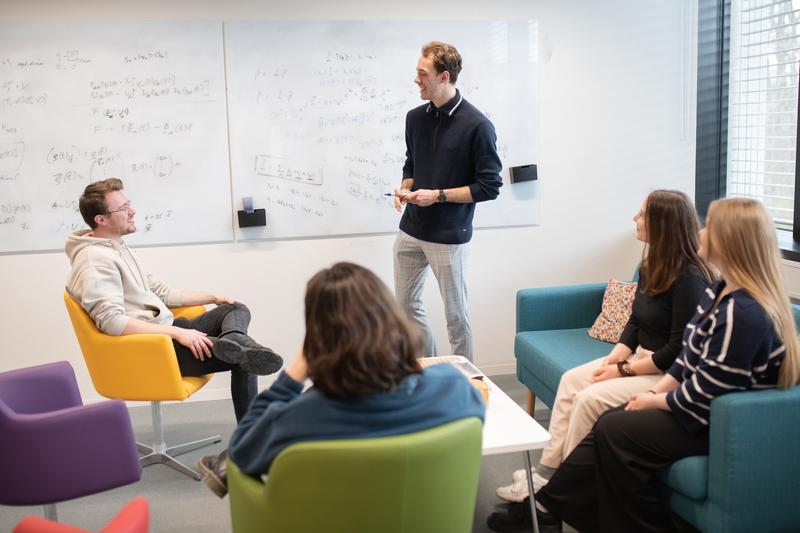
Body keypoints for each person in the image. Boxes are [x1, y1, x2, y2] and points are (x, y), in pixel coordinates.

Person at [489, 197, 800, 533]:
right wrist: (653, 391)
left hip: (721, 421)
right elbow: (689, 359)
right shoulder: (719, 291)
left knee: (613, 426)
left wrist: (655, 399)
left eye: (710, 226)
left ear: (729, 241)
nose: (702, 231)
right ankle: (554, 507)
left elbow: (707, 389)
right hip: (696, 405)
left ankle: (553, 507)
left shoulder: (743, 312)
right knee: (611, 420)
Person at [495, 190, 714, 504]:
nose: (634, 219)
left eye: (641, 214)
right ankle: (547, 471)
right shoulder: (653, 263)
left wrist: (623, 371)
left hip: (665, 372)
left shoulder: (690, 279)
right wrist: (614, 359)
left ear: (662, 224)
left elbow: (678, 351)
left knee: (588, 399)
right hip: (638, 359)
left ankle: (560, 494)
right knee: (572, 380)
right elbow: (636, 321)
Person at [196, 261, 485, 497]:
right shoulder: (454, 386)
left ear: (318, 338)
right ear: (392, 320)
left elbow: (242, 451)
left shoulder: (301, 416)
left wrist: (292, 377)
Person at [65, 178, 283, 422]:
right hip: (151, 350)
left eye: (129, 204)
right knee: (244, 359)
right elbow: (112, 322)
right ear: (101, 219)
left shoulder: (117, 248)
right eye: (123, 208)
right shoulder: (94, 260)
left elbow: (163, 293)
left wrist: (212, 297)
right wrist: (177, 335)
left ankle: (233, 340)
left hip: (165, 333)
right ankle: (251, 437)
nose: (132, 211)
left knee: (234, 308)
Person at [392, 41, 502, 362]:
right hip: (411, 229)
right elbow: (412, 163)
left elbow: (489, 187)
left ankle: (466, 384)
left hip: (449, 236)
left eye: (421, 73)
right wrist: (406, 187)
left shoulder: (478, 126)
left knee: (456, 317)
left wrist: (437, 196)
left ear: (443, 77)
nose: (416, 80)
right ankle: (432, 369)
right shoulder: (415, 118)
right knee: (405, 307)